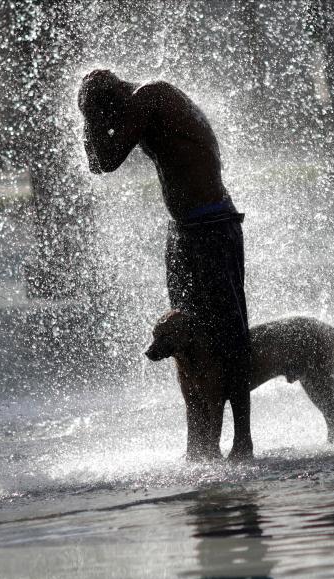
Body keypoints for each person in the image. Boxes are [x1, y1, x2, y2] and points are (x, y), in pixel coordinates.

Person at [78, 68, 253, 460]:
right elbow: (97, 163)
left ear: (113, 104)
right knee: (185, 334)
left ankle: (243, 440)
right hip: (186, 230)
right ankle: (200, 445)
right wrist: (91, 115)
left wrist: (87, 117)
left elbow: (104, 161)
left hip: (212, 225)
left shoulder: (150, 96)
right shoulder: (139, 106)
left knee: (229, 333)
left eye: (104, 116)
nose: (109, 126)